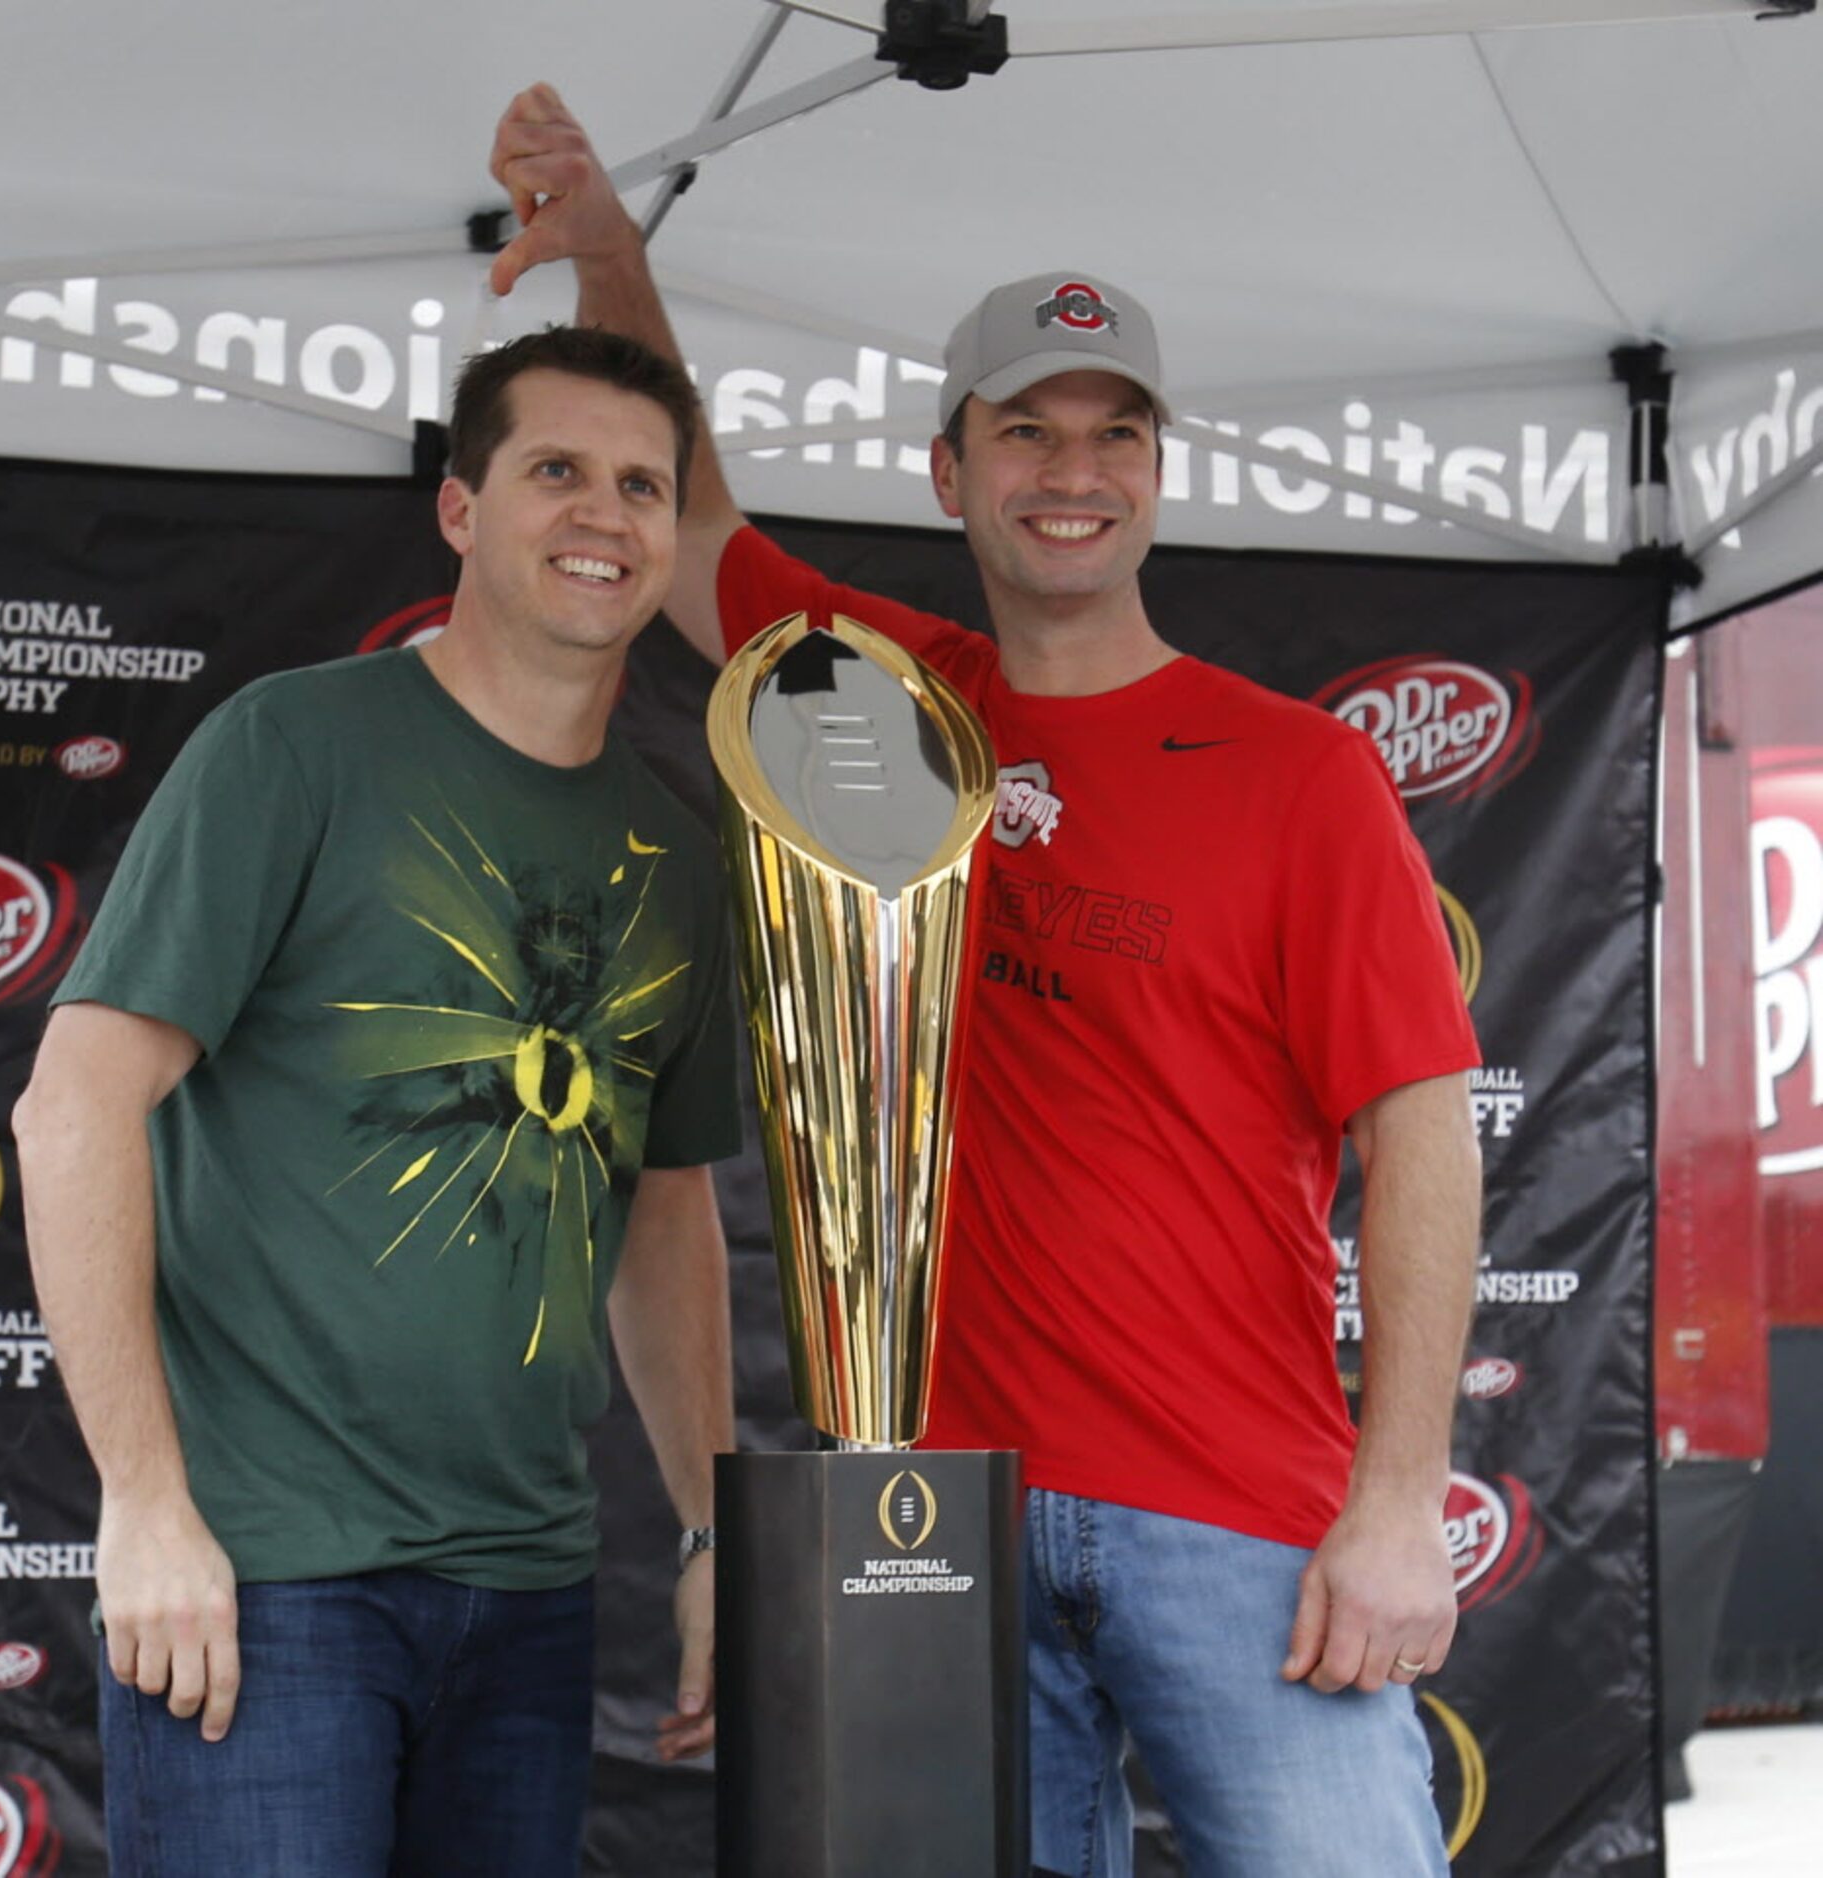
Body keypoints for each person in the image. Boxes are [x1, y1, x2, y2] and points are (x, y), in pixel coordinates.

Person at [488, 84, 1485, 1878]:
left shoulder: (1297, 774)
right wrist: (617, 261)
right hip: (934, 1518)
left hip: (1236, 1516)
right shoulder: (883, 702)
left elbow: (1426, 1137)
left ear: (1159, 474)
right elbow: (697, 534)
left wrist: (1402, 1500)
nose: (1073, 473)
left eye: (1115, 436)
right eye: (1027, 430)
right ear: (954, 471)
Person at [13, 324, 741, 1878]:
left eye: (640, 484)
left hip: (532, 1591)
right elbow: (72, 1108)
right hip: (267, 1582)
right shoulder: (292, 748)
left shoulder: (679, 861)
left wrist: (703, 1528)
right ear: (462, 512)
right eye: (556, 470)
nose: (603, 515)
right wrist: (145, 1502)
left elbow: (664, 1208)